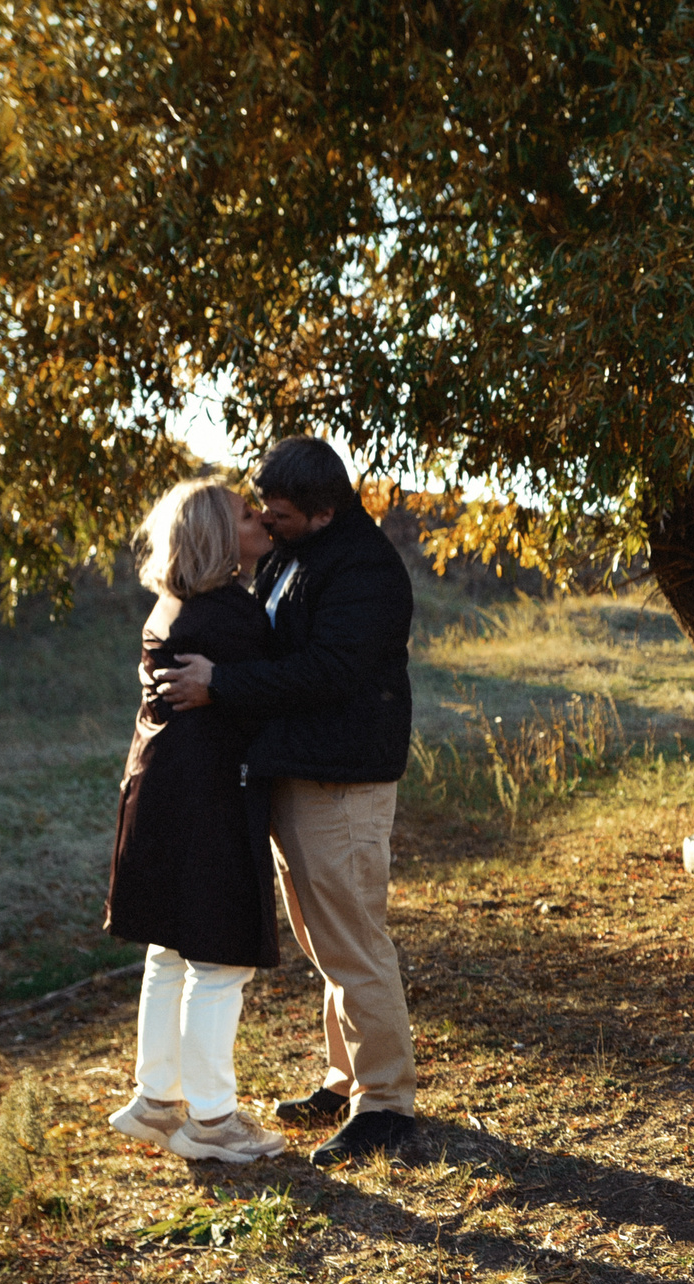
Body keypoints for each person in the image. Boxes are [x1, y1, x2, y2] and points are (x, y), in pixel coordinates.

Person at [149, 437, 420, 1167]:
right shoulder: (290, 555)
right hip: (297, 772)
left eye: (282, 511)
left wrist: (224, 686)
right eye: (262, 503)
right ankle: (345, 1076)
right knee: (323, 939)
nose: (266, 518)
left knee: (355, 942)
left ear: (325, 511)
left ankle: (388, 1102)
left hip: (345, 781)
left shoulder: (365, 571)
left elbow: (329, 670)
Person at [104, 478, 288, 1164]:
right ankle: (212, 1119)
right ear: (218, 534)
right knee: (218, 958)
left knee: (170, 949)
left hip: (157, 793)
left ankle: (156, 1097)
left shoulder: (168, 606)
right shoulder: (228, 617)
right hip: (206, 796)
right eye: (245, 514)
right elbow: (271, 695)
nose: (260, 519)